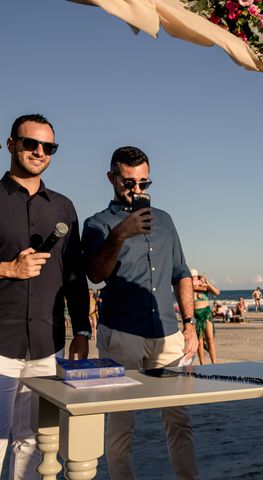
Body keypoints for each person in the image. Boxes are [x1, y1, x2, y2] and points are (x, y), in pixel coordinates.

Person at [82, 146, 199, 479]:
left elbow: (181, 272)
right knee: (122, 424)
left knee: (179, 420)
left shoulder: (165, 220)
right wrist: (121, 233)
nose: (136, 190)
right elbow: (95, 274)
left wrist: (190, 325)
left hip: (167, 333)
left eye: (144, 183)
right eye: (129, 182)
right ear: (111, 178)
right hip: (121, 334)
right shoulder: (97, 224)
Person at [0, 114, 90, 479]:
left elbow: (74, 275)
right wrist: (9, 269)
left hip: (46, 344)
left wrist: (82, 331)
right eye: (30, 143)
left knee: (33, 441)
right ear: (10, 145)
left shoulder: (63, 207)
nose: (39, 152)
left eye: (48, 147)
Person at [191, 269, 220, 365]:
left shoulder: (204, 286)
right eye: (192, 277)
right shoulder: (188, 287)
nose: (194, 279)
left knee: (210, 339)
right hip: (195, 314)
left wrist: (208, 284)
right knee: (199, 340)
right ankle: (202, 364)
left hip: (206, 312)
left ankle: (214, 363)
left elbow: (217, 293)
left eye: (195, 276)